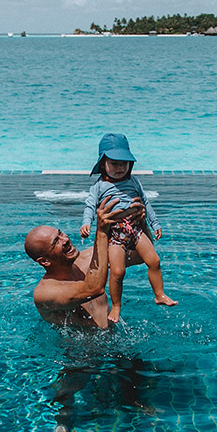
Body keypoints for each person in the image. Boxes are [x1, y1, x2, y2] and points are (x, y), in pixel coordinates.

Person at [79, 133, 176, 324]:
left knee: (154, 261)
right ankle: (116, 307)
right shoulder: (99, 187)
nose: (119, 167)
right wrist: (86, 223)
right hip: (115, 235)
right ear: (103, 163)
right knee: (117, 272)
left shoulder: (134, 182)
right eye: (114, 163)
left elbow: (146, 203)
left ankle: (159, 294)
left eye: (124, 163)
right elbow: (90, 206)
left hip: (136, 229)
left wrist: (154, 223)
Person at [25, 195, 144, 329]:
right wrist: (102, 232)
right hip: (79, 350)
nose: (65, 240)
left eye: (61, 233)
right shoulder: (45, 293)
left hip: (116, 342)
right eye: (55, 242)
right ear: (45, 261)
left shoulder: (89, 258)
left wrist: (139, 222)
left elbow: (141, 255)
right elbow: (93, 288)